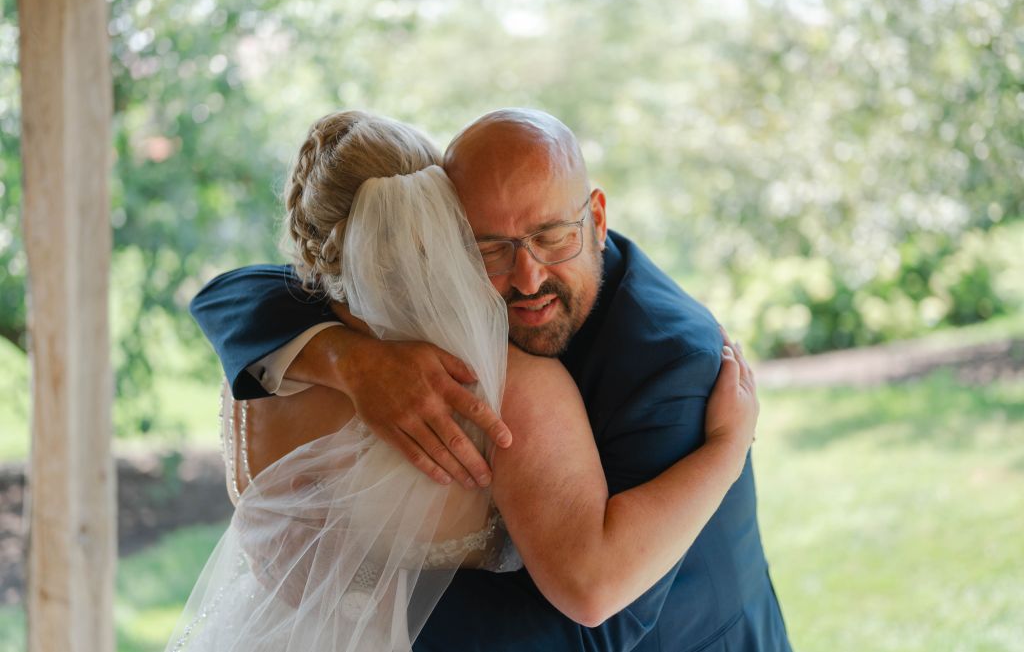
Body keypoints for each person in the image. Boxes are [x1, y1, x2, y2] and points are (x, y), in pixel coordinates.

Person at [190, 109, 792, 651]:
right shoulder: (482, 372)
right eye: (489, 246)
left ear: (597, 218)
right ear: (441, 229)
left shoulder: (671, 361)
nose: (527, 278)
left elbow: (598, 617)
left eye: (553, 235)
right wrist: (350, 360)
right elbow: (232, 294)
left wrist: (343, 602)